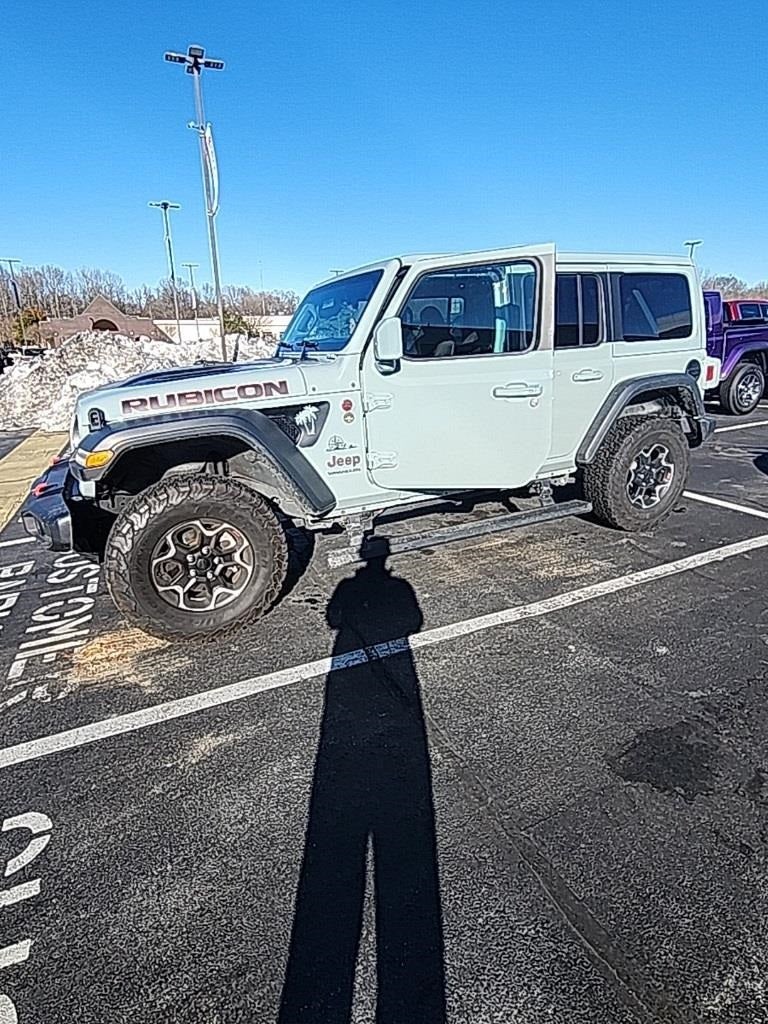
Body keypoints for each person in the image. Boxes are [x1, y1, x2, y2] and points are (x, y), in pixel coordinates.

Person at [279, 552, 446, 1024]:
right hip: (390, 695)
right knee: (405, 862)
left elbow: (334, 616)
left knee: (333, 864)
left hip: (345, 694)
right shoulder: (398, 590)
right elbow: (413, 620)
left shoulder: (351, 590)